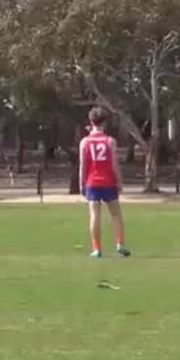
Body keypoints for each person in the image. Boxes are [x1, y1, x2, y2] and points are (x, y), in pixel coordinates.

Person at [78, 107, 130, 258]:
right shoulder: (110, 141)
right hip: (108, 182)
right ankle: (120, 244)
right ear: (105, 122)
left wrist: (82, 184)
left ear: (91, 121)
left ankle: (97, 249)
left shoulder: (84, 142)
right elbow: (114, 164)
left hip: (92, 182)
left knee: (94, 214)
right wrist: (119, 181)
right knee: (116, 214)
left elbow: (83, 165)